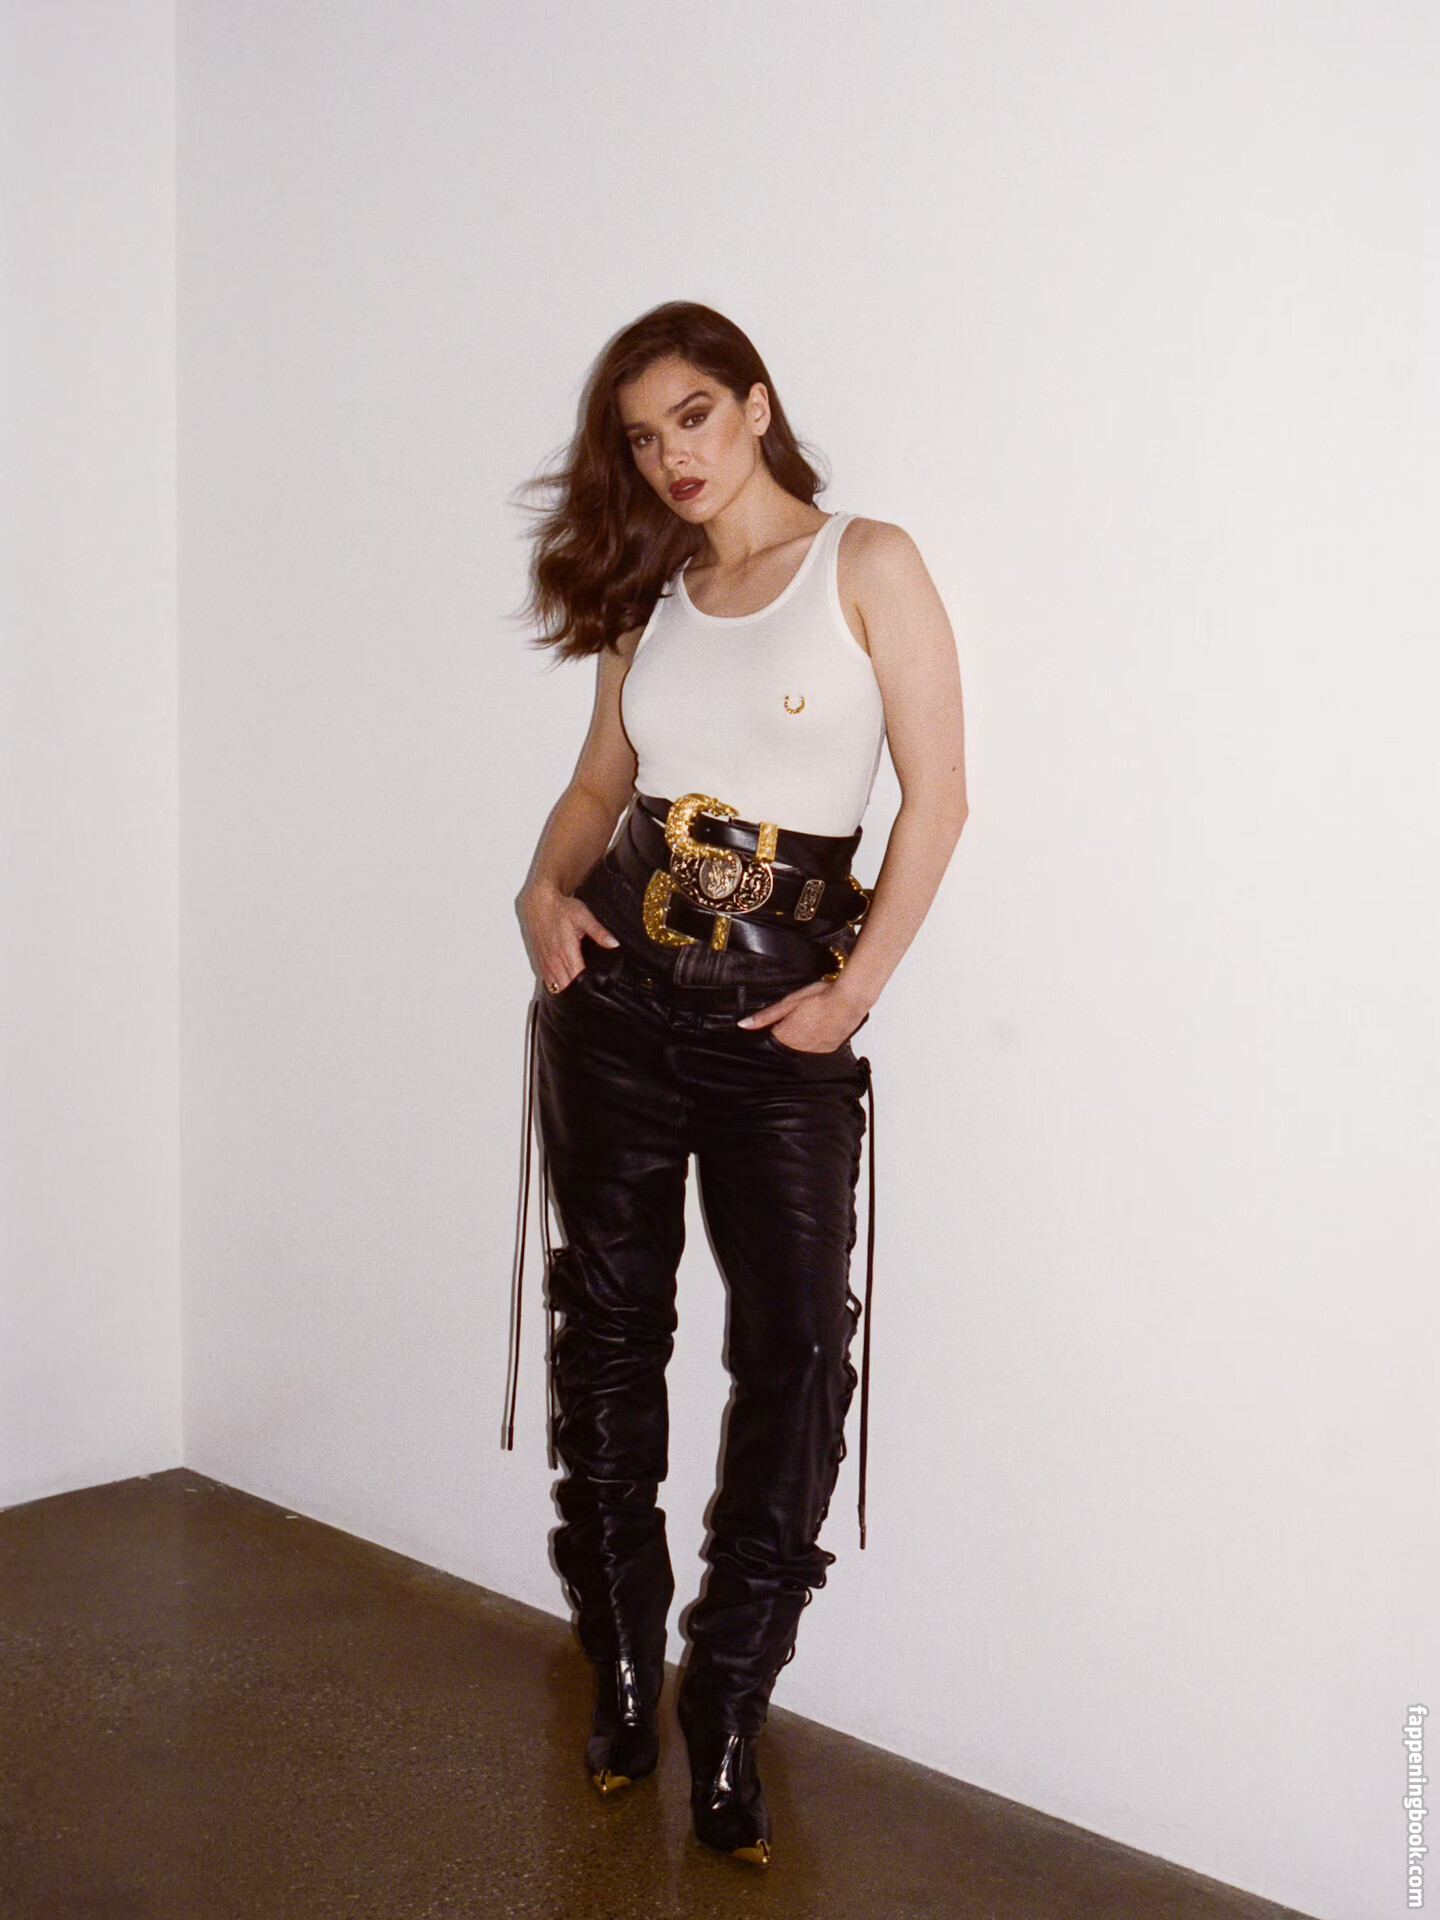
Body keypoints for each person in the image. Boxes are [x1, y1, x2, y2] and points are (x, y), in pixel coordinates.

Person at [505, 300, 968, 1868]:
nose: (672, 458)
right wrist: (543, 893)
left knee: (798, 1356)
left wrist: (853, 992)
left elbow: (939, 800)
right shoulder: (653, 598)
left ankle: (731, 1696)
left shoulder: (867, 564)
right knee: (608, 1335)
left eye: (693, 417)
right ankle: (626, 1668)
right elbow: (599, 785)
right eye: (644, 438)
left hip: (781, 1026)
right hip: (619, 1007)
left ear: (756, 406)